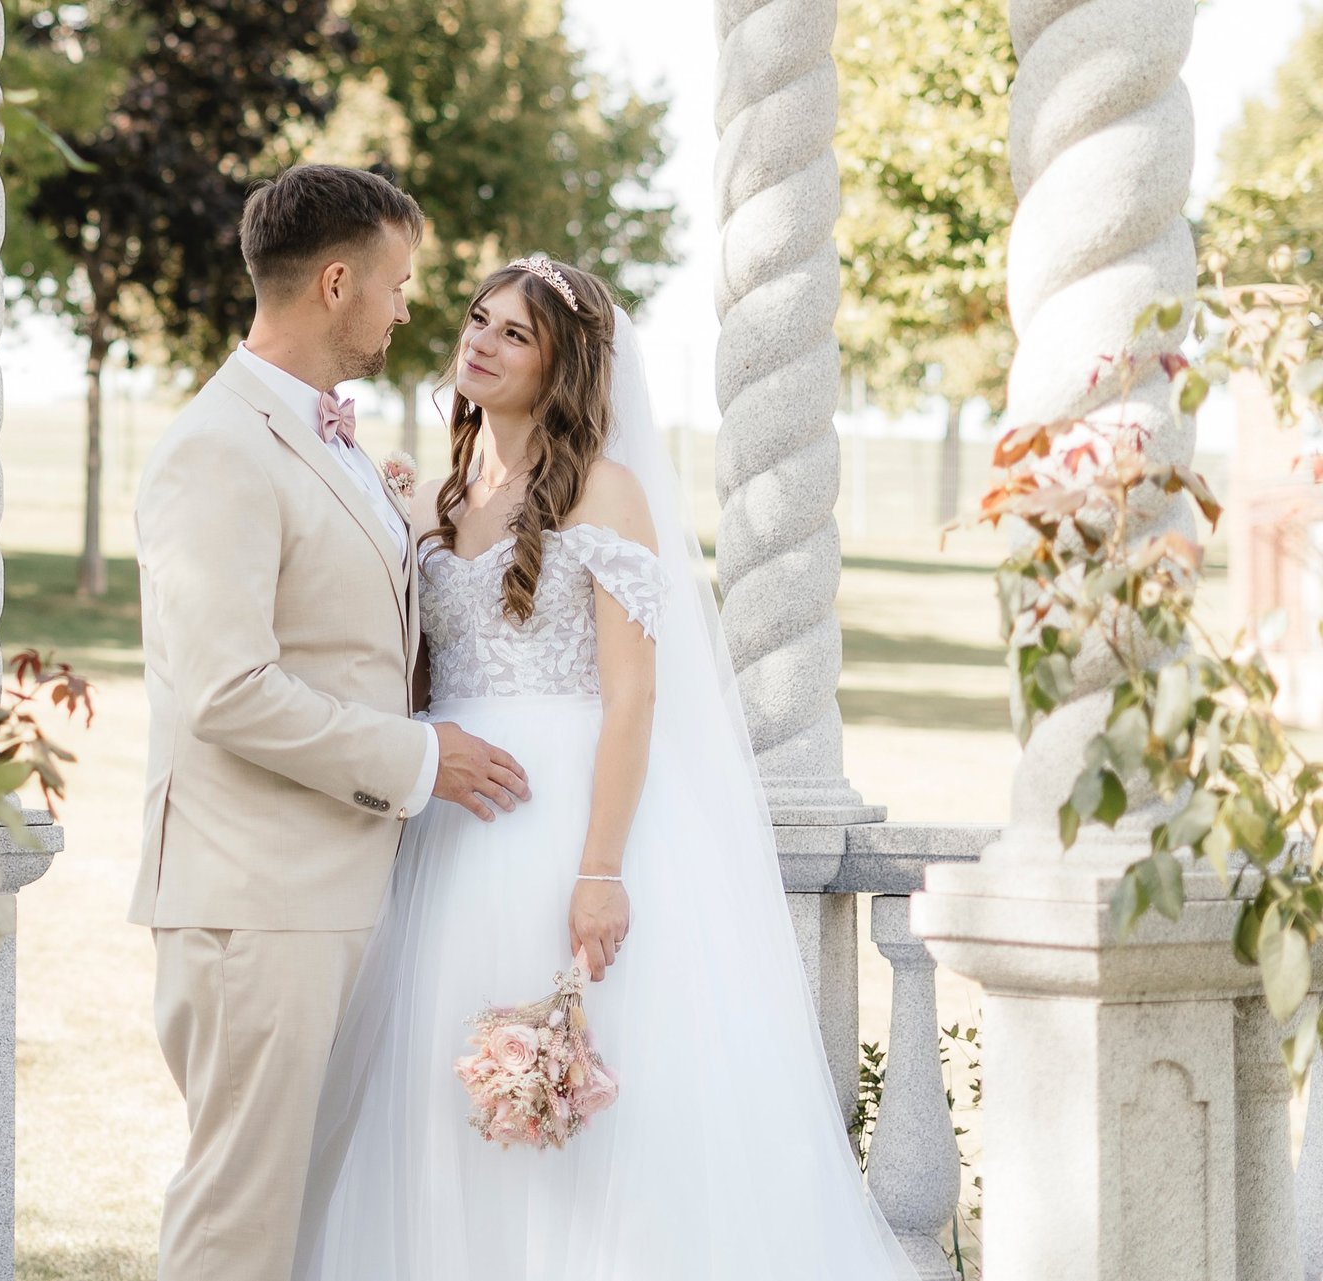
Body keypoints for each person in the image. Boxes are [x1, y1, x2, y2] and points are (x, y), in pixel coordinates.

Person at [292, 256, 922, 1280]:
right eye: (478, 319)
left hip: (569, 817)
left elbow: (633, 699)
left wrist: (598, 870)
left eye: (515, 334)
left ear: (562, 369)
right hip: (447, 818)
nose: (481, 342)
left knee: (578, 1083)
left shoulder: (604, 492)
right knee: (436, 1075)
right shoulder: (439, 494)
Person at [130, 163, 531, 1281]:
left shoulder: (332, 440)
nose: (408, 310)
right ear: (338, 284)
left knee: (304, 1214)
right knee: (241, 1218)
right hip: (257, 900)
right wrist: (421, 757)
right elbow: (225, 689)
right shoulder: (216, 448)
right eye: (398, 285)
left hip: (339, 888)